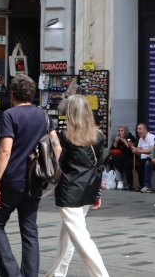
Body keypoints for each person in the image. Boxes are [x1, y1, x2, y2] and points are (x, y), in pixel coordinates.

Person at [0, 74, 58, 277]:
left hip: (13, 179)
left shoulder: (10, 115)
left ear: (12, 94)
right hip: (35, 180)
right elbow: (57, 147)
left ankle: (12, 273)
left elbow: (5, 151)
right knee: (29, 230)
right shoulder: (44, 115)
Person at [45, 95, 109, 277]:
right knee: (68, 237)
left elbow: (60, 163)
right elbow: (99, 166)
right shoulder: (98, 136)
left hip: (69, 192)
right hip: (87, 190)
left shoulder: (66, 137)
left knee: (80, 238)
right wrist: (97, 193)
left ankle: (101, 275)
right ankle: (57, 273)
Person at [109, 126, 136, 190]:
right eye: (119, 131)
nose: (120, 132)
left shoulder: (131, 137)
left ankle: (129, 184)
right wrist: (115, 142)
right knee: (113, 159)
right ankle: (119, 180)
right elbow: (111, 150)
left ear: (126, 131)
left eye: (122, 131)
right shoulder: (118, 139)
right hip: (121, 156)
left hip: (130, 156)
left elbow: (131, 150)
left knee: (126, 163)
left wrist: (124, 141)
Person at [130, 122, 155, 192]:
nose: (138, 131)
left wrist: (139, 151)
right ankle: (142, 185)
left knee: (142, 164)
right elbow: (139, 152)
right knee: (137, 164)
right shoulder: (140, 139)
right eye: (137, 129)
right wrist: (135, 150)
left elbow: (151, 150)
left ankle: (147, 186)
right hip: (142, 158)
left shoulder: (151, 137)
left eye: (140, 129)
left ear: (145, 130)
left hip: (151, 158)